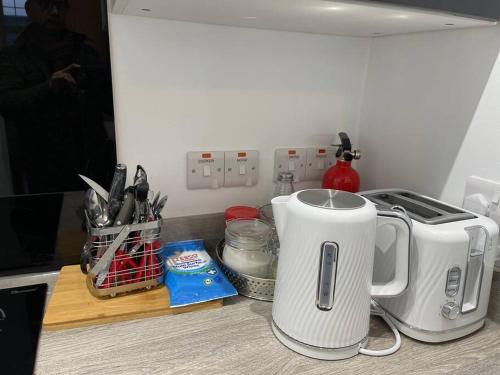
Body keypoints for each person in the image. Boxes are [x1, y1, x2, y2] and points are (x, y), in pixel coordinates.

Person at [0, 0, 115, 194]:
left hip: (92, 160)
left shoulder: (84, 50)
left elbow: (112, 105)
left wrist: (91, 82)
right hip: (43, 162)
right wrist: (48, 87)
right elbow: (7, 103)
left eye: (60, 5)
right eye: (46, 4)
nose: (54, 11)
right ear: (30, 9)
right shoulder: (14, 56)